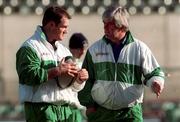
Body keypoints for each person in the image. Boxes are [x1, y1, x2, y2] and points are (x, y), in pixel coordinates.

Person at [78, 6, 165, 122]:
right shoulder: (94, 49)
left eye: (109, 25)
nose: (105, 28)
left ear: (122, 26)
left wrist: (156, 82)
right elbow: (86, 80)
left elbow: (155, 73)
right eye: (104, 24)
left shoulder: (139, 48)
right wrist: (89, 105)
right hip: (101, 113)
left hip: (130, 114)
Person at [16, 6, 88, 122]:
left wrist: (80, 79)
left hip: (65, 111)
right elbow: (26, 76)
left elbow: (72, 86)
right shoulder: (30, 47)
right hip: (41, 111)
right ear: (51, 25)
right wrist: (57, 71)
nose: (66, 31)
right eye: (64, 27)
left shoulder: (64, 51)